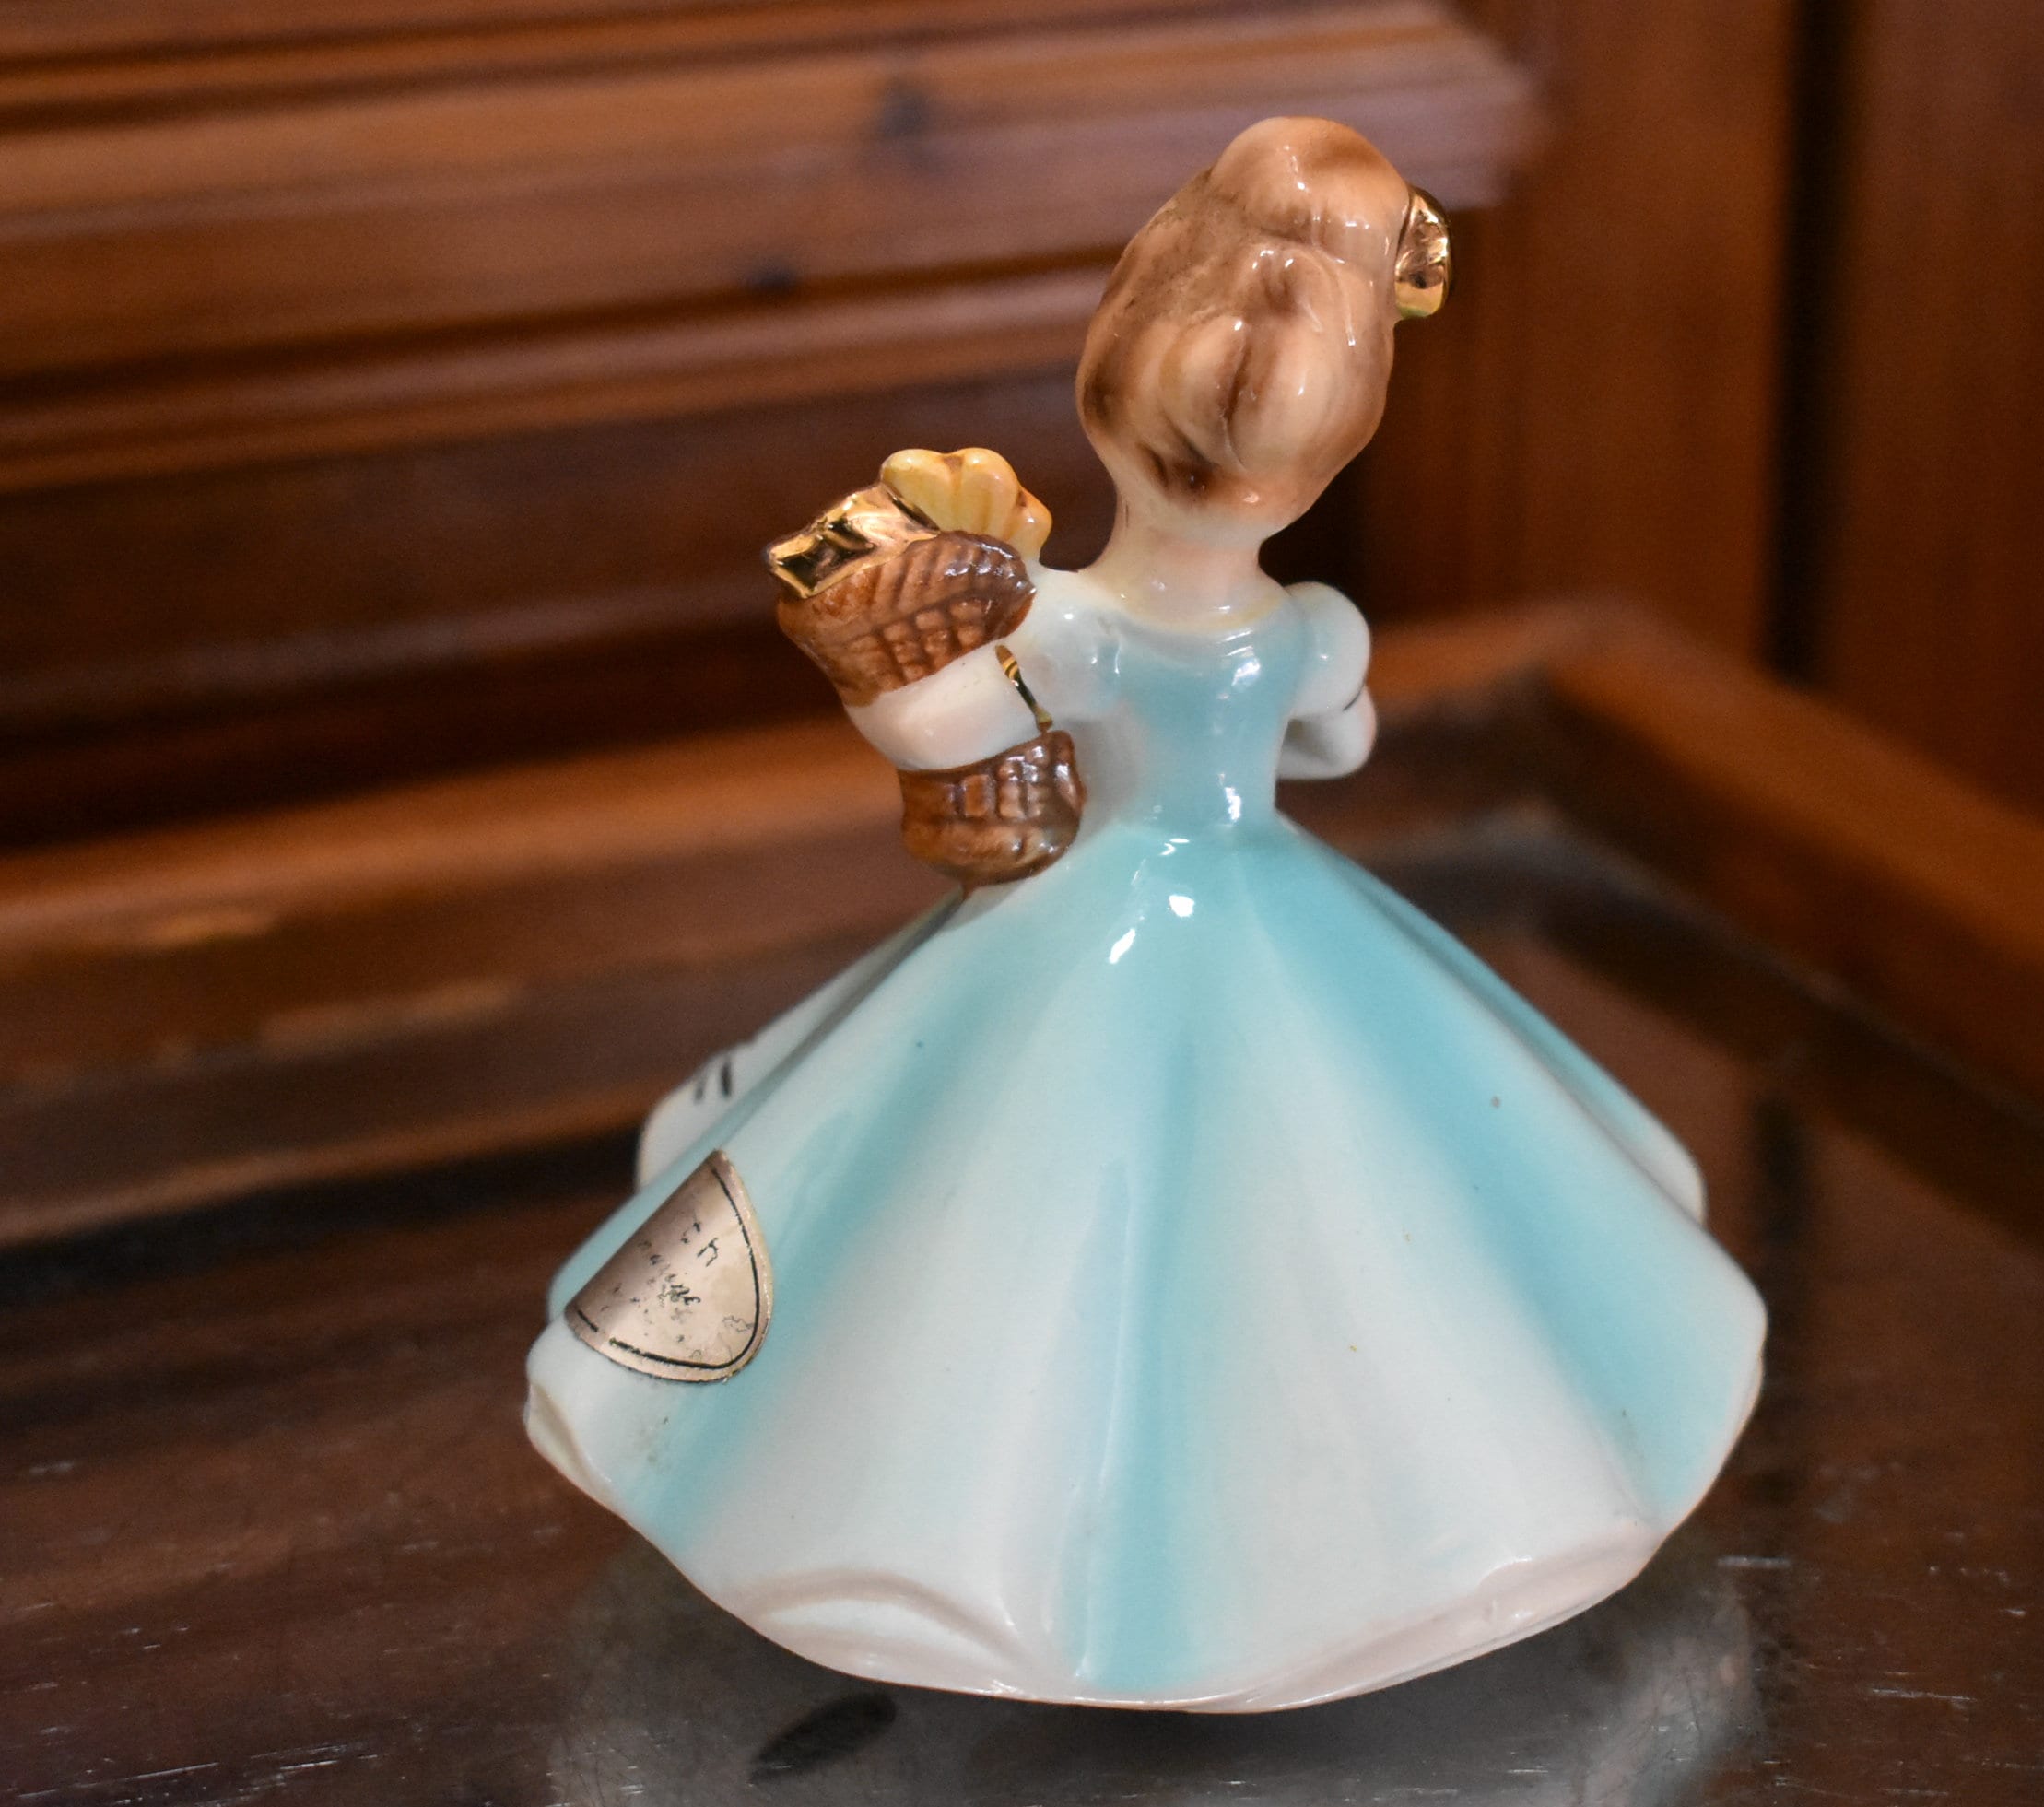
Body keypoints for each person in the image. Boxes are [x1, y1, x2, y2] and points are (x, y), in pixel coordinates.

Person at [524, 117, 1765, 1711]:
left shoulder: (1072, 625)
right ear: (1328, 455)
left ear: (1110, 372)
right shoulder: (1309, 627)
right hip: (1266, 903)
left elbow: (940, 736)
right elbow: (1338, 746)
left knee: (995, 1221)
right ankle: (1324, 1545)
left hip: (1074, 926)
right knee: (1357, 1224)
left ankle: (982, 1547)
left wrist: (884, 649)